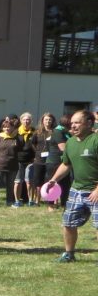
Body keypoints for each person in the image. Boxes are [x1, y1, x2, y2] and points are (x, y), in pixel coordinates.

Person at [46, 110, 98, 263]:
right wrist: (54, 180)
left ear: (89, 123)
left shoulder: (95, 140)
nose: (73, 126)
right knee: (68, 222)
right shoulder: (70, 142)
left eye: (77, 123)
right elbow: (66, 164)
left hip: (95, 190)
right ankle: (69, 254)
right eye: (72, 123)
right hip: (77, 190)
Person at [0, 119, 20, 207]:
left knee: (10, 184)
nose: (7, 129)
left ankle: (9, 201)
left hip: (12, 165)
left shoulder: (16, 138)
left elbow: (19, 149)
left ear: (13, 127)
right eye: (5, 127)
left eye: (9, 127)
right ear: (2, 128)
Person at [16, 113, 38, 206]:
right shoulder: (16, 132)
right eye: (24, 119)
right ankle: (17, 200)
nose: (26, 121)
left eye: (28, 119)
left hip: (31, 160)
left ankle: (30, 201)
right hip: (19, 160)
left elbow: (37, 144)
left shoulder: (35, 132)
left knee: (29, 181)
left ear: (31, 121)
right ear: (21, 121)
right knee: (18, 181)